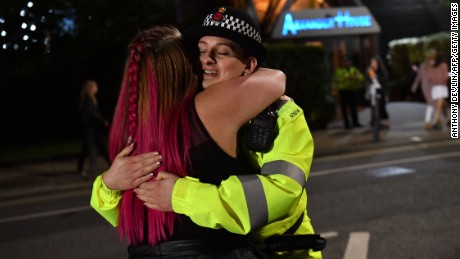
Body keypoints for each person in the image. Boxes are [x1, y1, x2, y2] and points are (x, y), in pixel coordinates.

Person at [92, 6, 323, 259]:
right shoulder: (184, 115)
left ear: (249, 65)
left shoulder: (282, 114)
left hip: (287, 252)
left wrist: (181, 194)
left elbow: (282, 192)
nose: (206, 59)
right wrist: (108, 185)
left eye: (221, 52)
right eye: (200, 51)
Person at [77, 79, 110, 179]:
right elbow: (92, 114)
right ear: (91, 88)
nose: (97, 88)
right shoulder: (88, 100)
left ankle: (111, 163)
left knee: (97, 147)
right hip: (89, 128)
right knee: (91, 150)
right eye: (95, 86)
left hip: (93, 128)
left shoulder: (91, 99)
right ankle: (93, 172)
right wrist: (103, 121)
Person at [333, 56, 364, 129]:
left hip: (351, 90)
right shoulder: (339, 70)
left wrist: (356, 78)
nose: (346, 63)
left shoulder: (354, 69)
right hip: (343, 91)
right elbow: (336, 79)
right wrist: (344, 79)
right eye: (344, 62)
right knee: (344, 108)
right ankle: (346, 124)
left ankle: (355, 122)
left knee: (353, 107)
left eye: (347, 61)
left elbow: (361, 77)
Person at [411, 49, 437, 130]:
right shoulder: (423, 65)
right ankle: (429, 121)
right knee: (431, 103)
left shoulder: (435, 64)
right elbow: (419, 77)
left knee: (435, 103)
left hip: (434, 86)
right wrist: (414, 86)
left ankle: (431, 121)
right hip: (426, 87)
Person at [365, 55, 390, 129]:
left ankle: (384, 122)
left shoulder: (382, 69)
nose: (373, 63)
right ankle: (374, 122)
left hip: (381, 91)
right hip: (373, 91)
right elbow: (368, 79)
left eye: (374, 61)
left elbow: (385, 79)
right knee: (374, 107)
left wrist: (377, 77)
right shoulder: (370, 70)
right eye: (372, 61)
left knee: (382, 107)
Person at [428, 51, 449, 130]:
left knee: (443, 104)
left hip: (434, 87)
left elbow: (429, 77)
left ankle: (448, 119)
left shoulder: (433, 66)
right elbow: (445, 76)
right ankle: (435, 121)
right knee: (439, 106)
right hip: (441, 87)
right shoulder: (444, 65)